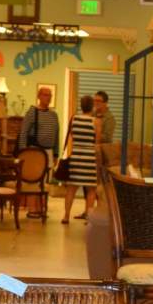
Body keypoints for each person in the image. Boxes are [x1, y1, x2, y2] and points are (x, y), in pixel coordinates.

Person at [60, 94, 100, 223]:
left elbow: (72, 135)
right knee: (91, 190)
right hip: (89, 158)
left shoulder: (74, 119)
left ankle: (66, 216)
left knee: (71, 188)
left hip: (76, 155)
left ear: (81, 106)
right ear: (92, 106)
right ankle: (89, 217)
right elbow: (97, 142)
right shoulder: (96, 121)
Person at [18, 85, 61, 175]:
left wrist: (56, 154)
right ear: (39, 96)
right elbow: (23, 133)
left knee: (47, 180)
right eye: (45, 95)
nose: (48, 98)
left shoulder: (54, 115)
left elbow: (56, 136)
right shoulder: (32, 112)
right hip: (35, 152)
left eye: (50, 95)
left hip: (49, 152)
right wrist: (23, 153)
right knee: (35, 177)